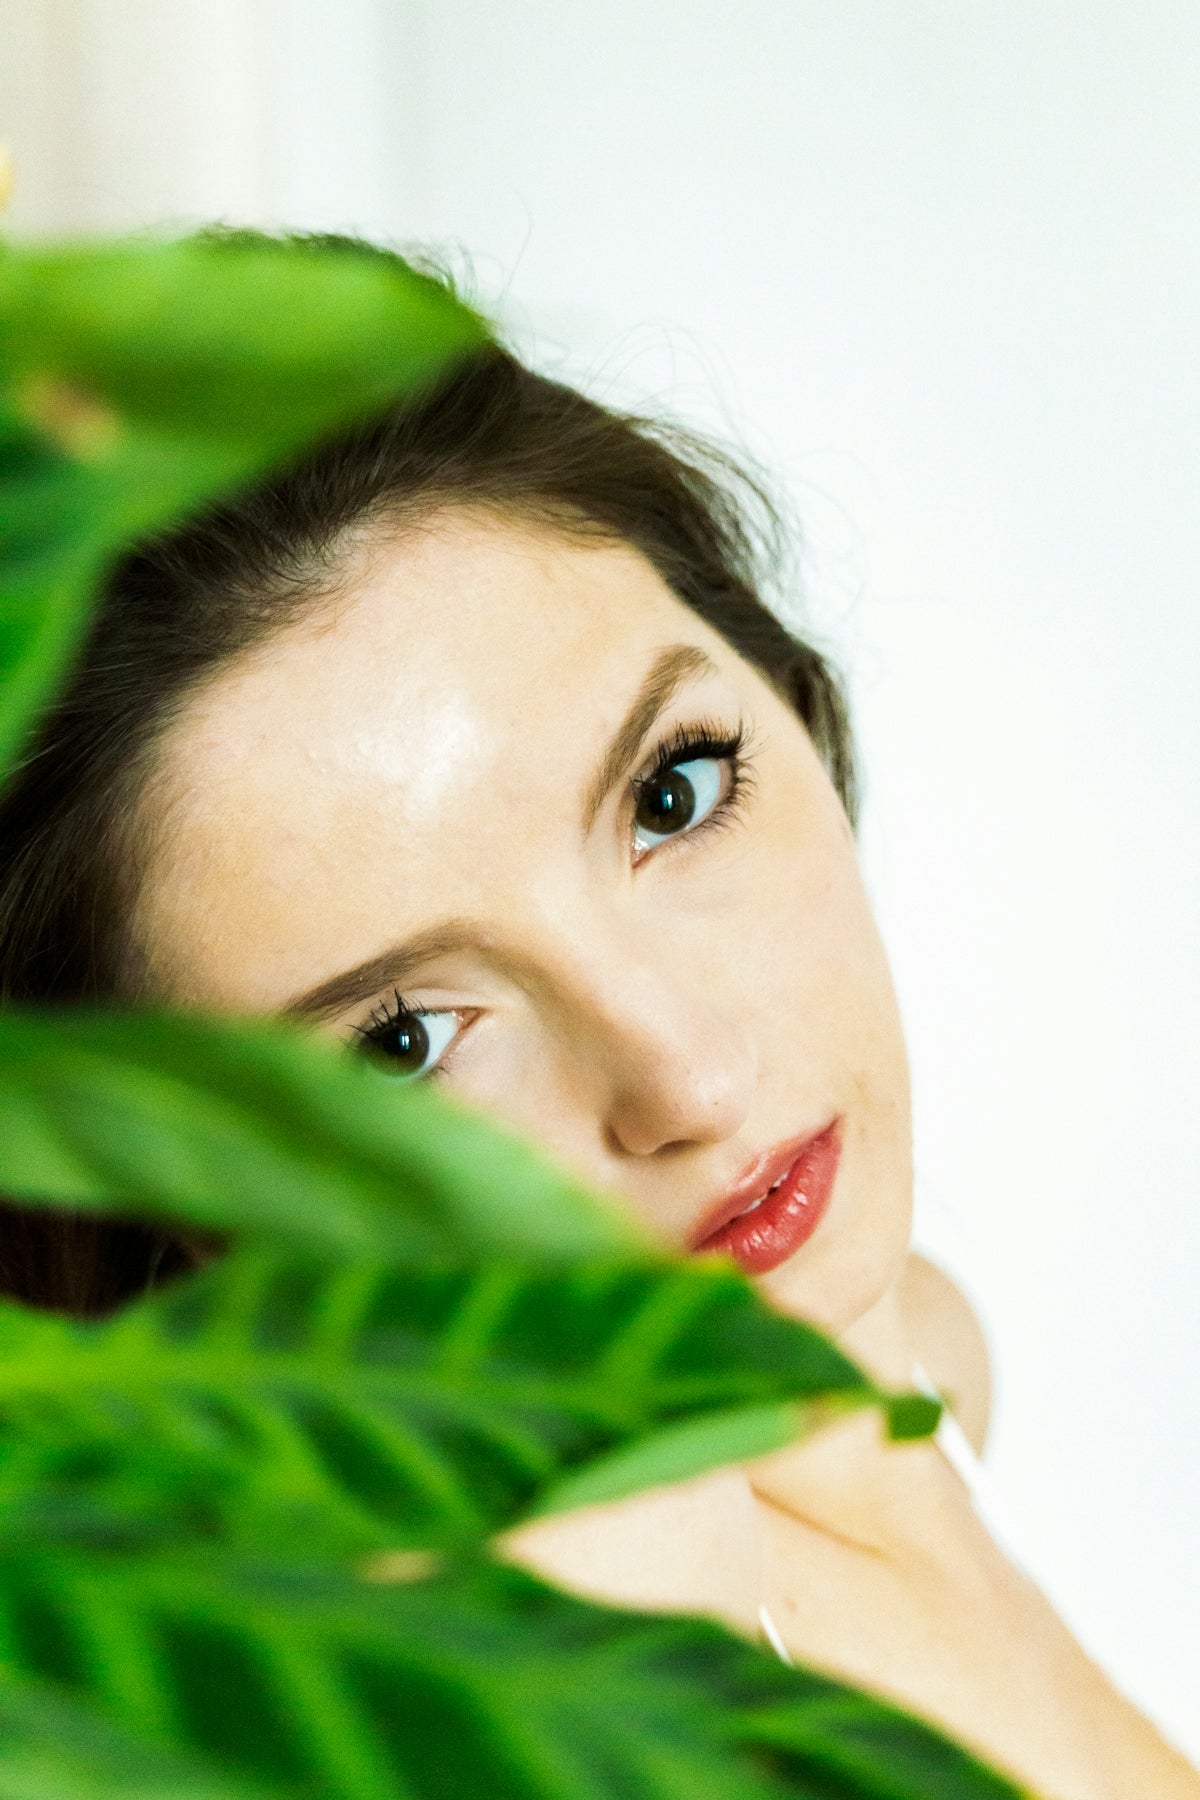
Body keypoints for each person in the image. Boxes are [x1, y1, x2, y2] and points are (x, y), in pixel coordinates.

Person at [0, 234, 1195, 1800]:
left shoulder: (904, 1347)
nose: (690, 1075)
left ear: (784, 693)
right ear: (175, 1224)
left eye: (673, 790)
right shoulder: (562, 1652)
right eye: (402, 1041)